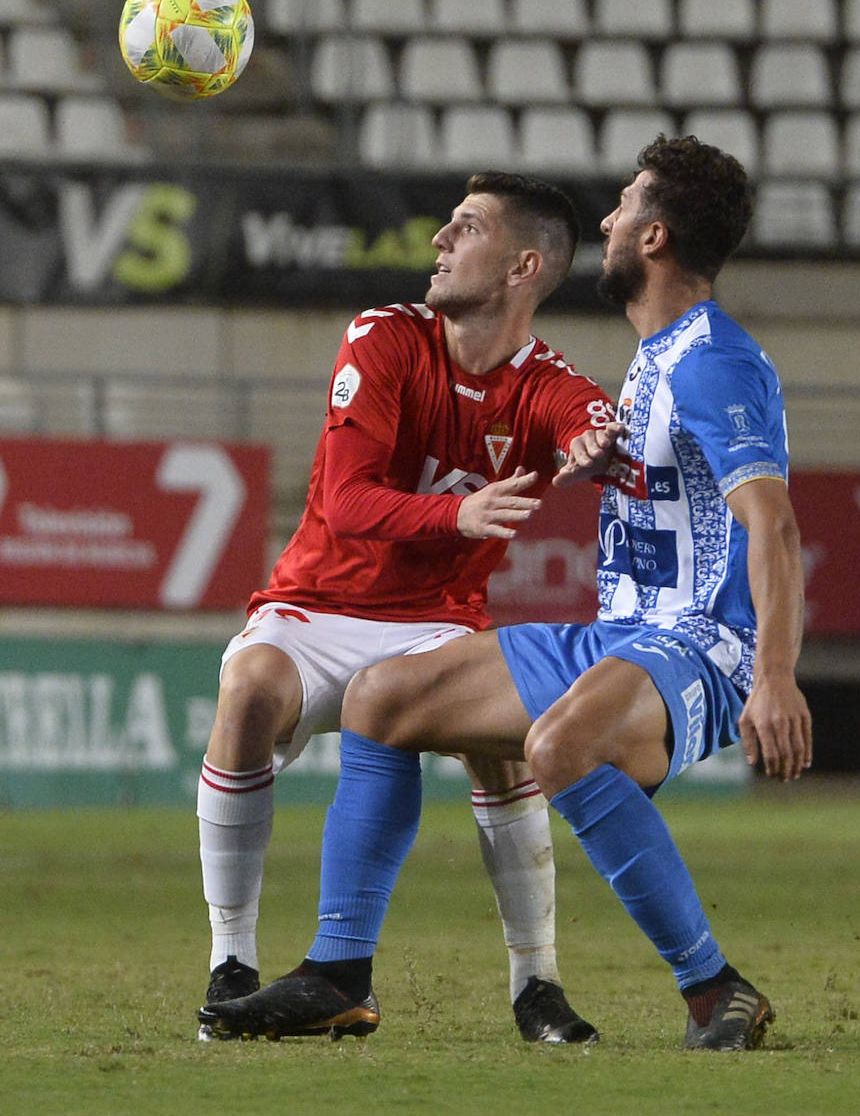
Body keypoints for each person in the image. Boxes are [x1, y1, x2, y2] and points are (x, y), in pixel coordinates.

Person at [200, 135, 814, 1053]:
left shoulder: (712, 362)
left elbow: (775, 524)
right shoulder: (655, 358)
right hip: (622, 632)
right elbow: (588, 430)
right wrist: (589, 449)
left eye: (624, 205)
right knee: (381, 699)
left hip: (702, 644)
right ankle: (338, 974)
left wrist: (774, 675)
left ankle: (713, 987)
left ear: (653, 237)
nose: (607, 219)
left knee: (556, 746)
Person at [196, 170, 618, 1044]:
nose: (439, 240)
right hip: (318, 604)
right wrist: (457, 515)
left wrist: (593, 442)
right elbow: (347, 501)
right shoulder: (384, 337)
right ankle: (231, 960)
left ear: (523, 267)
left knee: (499, 747)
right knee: (245, 695)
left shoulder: (547, 383)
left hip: (436, 621)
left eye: (466, 227)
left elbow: (585, 418)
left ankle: (537, 985)